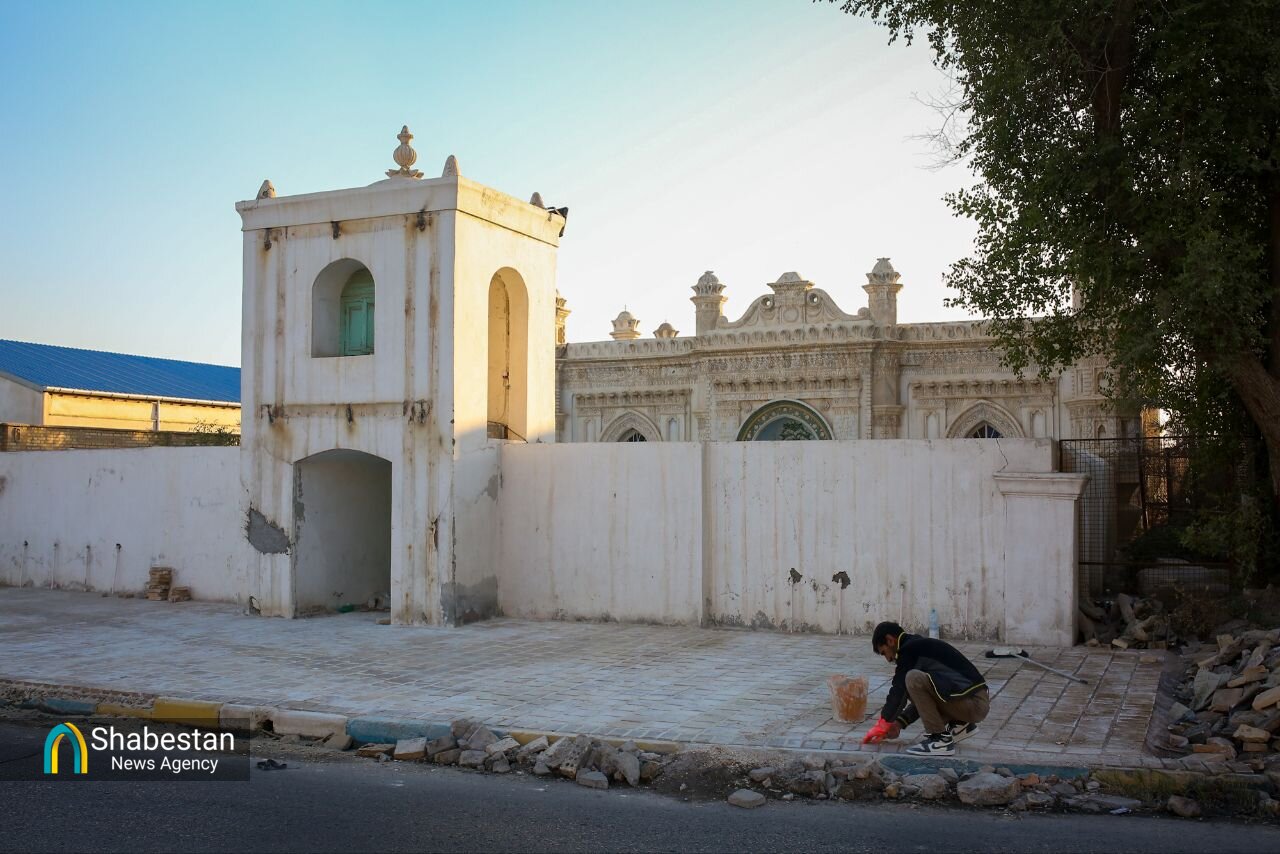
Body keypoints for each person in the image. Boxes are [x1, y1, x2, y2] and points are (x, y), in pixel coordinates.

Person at [861, 620, 989, 756]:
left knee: (912, 678)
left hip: (974, 703)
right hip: (974, 700)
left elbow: (898, 691)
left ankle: (940, 739)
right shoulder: (917, 645)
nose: (888, 659)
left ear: (890, 640)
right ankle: (960, 724)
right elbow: (925, 698)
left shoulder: (909, 650)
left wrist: (883, 723)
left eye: (884, 653)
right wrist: (899, 724)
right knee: (916, 682)